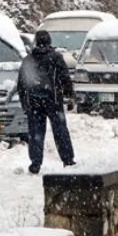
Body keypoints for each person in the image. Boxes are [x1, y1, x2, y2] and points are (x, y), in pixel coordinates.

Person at [17, 30, 76, 174]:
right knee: (60, 131)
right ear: (49, 42)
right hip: (53, 100)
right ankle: (68, 160)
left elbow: (21, 84)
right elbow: (65, 78)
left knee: (36, 133)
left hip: (34, 102)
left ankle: (35, 163)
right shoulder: (56, 57)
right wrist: (69, 94)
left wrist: (25, 103)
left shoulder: (28, 60)